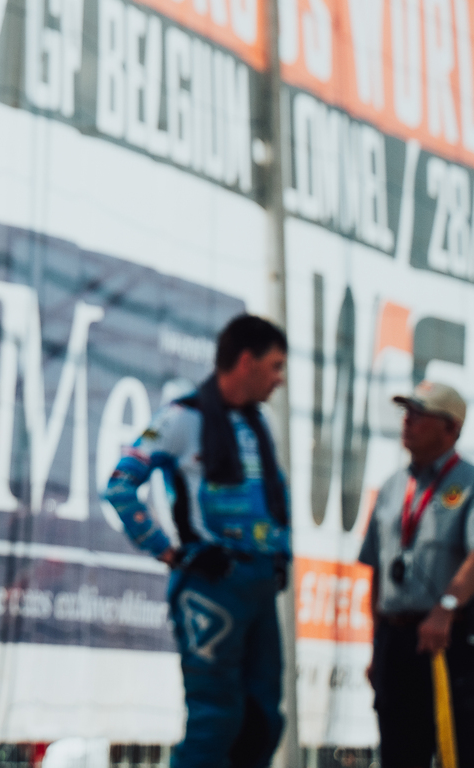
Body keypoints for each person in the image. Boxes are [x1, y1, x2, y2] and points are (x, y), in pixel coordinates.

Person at [104, 314, 292, 768]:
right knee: (216, 721)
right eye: (275, 366)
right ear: (246, 361)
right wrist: (169, 552)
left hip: (260, 584)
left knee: (263, 721)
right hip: (211, 585)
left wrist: (280, 555)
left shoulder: (257, 423)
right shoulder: (182, 417)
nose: (280, 379)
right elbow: (120, 487)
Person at [359, 380, 474, 768]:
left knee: (457, 751)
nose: (407, 422)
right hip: (396, 639)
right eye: (406, 413)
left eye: (419, 415)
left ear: (451, 427)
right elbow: (378, 571)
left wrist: (446, 608)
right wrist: (377, 645)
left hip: (450, 638)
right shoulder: (391, 488)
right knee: (399, 754)